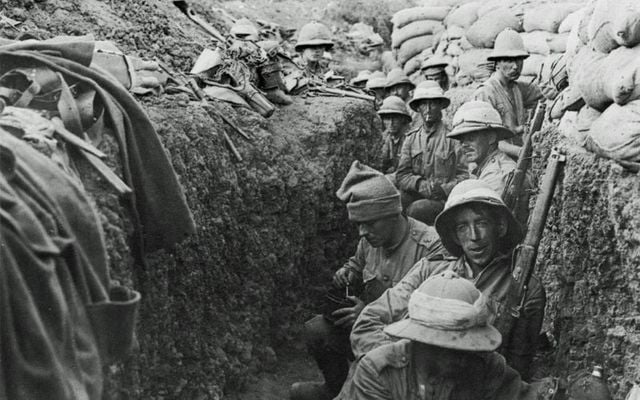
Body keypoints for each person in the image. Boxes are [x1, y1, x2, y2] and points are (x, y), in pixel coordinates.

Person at [350, 179, 545, 381]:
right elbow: (368, 323)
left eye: (481, 223)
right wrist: (403, 364)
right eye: (462, 227)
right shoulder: (430, 270)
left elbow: (517, 368)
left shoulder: (525, 288)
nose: (474, 236)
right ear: (454, 235)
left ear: (501, 226)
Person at [290, 161, 446, 400]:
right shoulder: (370, 240)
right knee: (316, 330)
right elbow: (357, 262)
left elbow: (431, 320)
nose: (362, 232)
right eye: (358, 225)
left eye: (370, 223)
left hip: (408, 346)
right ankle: (337, 386)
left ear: (394, 214)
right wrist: (347, 271)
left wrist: (366, 314)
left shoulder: (430, 247)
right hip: (369, 330)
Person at [351, 271, 555, 400]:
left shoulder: (486, 367)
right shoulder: (380, 372)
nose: (463, 357)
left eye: (468, 346)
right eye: (453, 348)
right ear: (423, 343)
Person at [395, 81, 468, 225]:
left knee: (417, 210)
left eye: (433, 104)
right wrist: (419, 184)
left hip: (445, 199)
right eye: (423, 104)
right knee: (395, 202)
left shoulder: (453, 137)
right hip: (418, 193)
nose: (428, 109)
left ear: (440, 105)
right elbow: (402, 175)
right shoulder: (411, 138)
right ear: (418, 108)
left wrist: (444, 189)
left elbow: (466, 175)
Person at [447, 101, 532, 225]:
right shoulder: (487, 167)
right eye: (462, 140)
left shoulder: (496, 175)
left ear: (491, 137)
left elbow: (486, 227)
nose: (464, 145)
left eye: (471, 137)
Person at [472, 28, 542, 155]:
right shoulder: (485, 93)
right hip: (495, 160)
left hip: (519, 157)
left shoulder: (518, 88)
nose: (516, 66)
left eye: (519, 59)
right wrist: (521, 152)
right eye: (509, 60)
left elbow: (545, 93)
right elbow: (484, 140)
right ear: (497, 62)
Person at [377, 96, 412, 176]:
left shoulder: (410, 138)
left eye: (395, 119)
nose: (391, 123)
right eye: (387, 119)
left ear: (403, 119)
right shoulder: (383, 138)